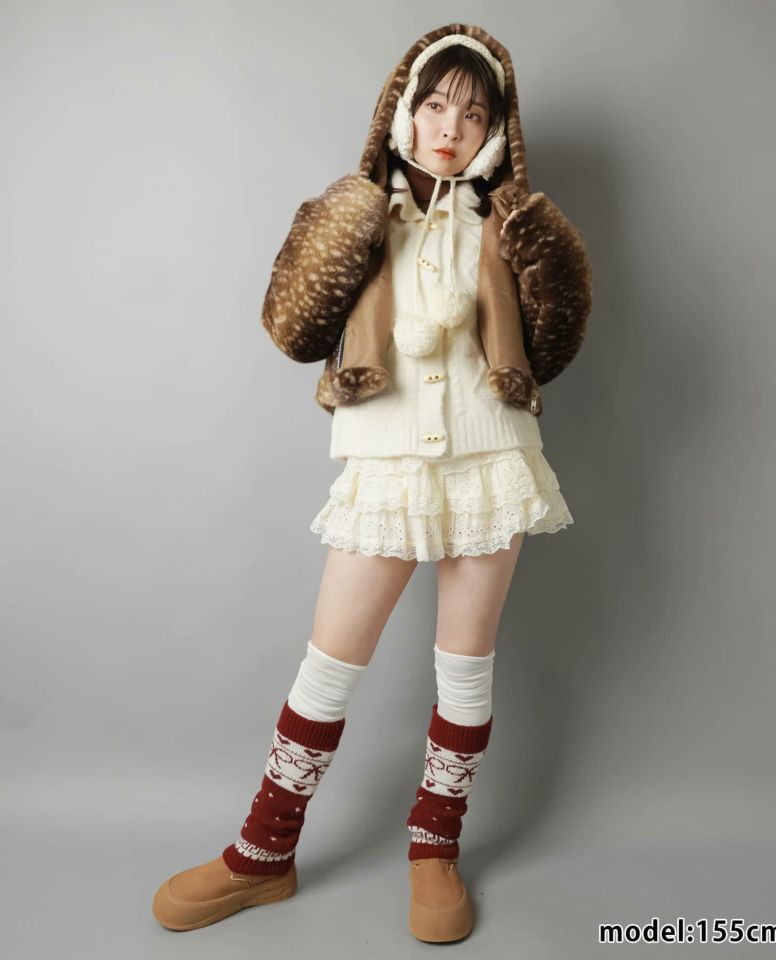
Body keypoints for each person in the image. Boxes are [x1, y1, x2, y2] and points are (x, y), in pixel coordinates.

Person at [152, 23, 592, 944]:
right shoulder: (360, 213)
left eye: (473, 114)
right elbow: (293, 330)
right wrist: (343, 223)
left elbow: (549, 350)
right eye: (434, 105)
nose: (450, 128)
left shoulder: (505, 224)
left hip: (491, 459)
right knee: (329, 667)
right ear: (402, 111)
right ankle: (264, 854)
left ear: (496, 132)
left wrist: (538, 248)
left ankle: (435, 849)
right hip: (386, 461)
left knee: (465, 669)